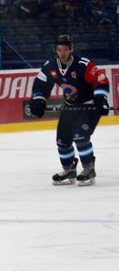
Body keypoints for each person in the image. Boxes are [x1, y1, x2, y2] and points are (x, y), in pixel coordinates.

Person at [29, 34, 110, 186]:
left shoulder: (82, 64)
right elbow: (39, 85)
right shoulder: (50, 66)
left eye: (66, 49)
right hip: (70, 106)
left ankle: (88, 168)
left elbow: (101, 80)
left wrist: (100, 98)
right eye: (60, 49)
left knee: (80, 136)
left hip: (89, 106)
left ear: (71, 49)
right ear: (56, 50)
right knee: (62, 140)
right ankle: (69, 170)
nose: (63, 53)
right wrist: (38, 100)